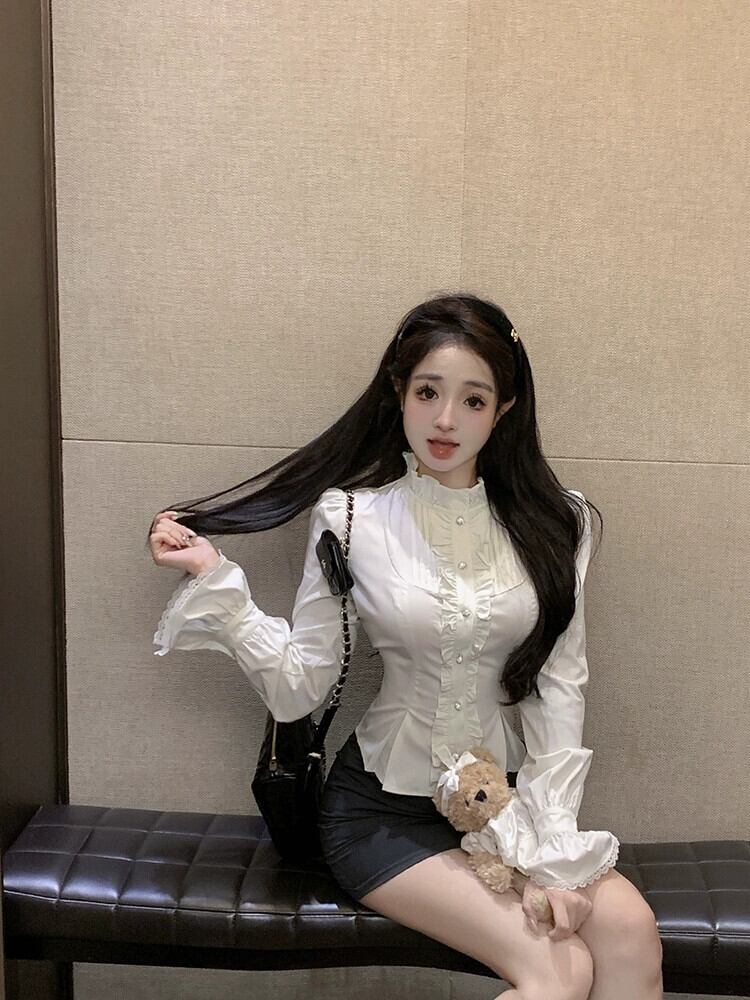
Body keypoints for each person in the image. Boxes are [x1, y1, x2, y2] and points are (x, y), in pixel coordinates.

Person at [147, 293, 663, 999]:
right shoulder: (351, 518)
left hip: (500, 810)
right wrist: (218, 583)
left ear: (505, 408)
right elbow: (299, 687)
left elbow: (558, 690)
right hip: (380, 816)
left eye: (473, 400)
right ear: (399, 391)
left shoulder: (557, 523)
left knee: (630, 931)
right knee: (559, 968)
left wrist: (551, 851)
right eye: (428, 392)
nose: (446, 420)